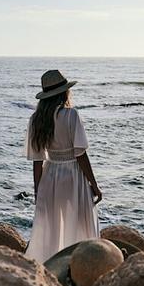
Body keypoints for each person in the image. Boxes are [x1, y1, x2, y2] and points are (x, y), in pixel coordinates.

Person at [24, 70, 102, 262]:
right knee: (78, 221)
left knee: (51, 224)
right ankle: (80, 261)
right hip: (73, 174)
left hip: (50, 175)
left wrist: (38, 191)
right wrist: (94, 184)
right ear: (64, 93)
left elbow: (37, 161)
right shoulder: (71, 115)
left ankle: (49, 262)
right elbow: (80, 155)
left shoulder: (36, 120)